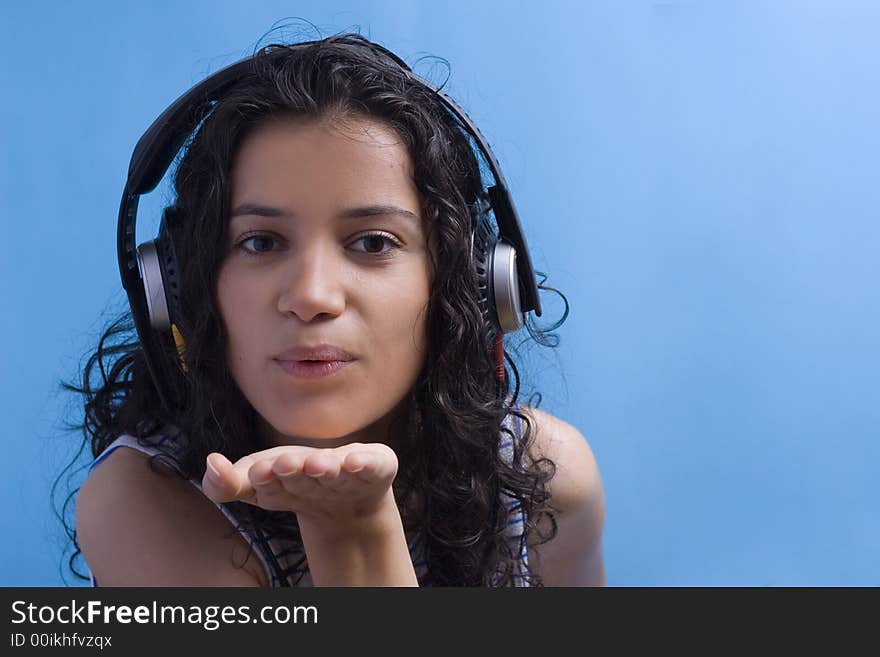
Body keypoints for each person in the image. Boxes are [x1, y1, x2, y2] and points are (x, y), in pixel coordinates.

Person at [68, 32, 606, 587]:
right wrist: (352, 532)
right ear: (184, 286)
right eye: (261, 243)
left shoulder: (544, 476)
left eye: (373, 243)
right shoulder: (140, 503)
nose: (312, 296)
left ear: (461, 281)